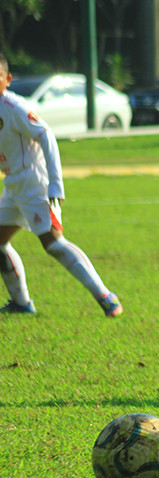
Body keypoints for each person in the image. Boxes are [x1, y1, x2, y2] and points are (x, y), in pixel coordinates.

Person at [0, 53, 123, 317]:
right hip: (12, 184)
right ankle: (22, 303)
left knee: (53, 244)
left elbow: (46, 135)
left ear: (7, 79)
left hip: (35, 182)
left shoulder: (13, 107)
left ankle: (106, 297)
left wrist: (55, 184)